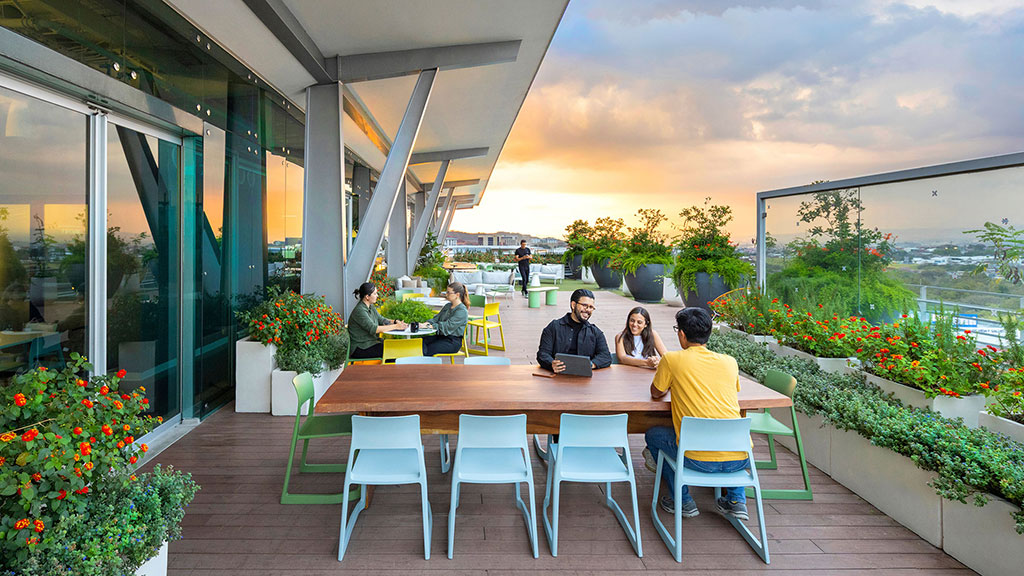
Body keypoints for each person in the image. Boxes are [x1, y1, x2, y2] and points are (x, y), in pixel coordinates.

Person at [643, 307, 750, 521]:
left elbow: (656, 392)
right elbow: (732, 389)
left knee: (653, 435)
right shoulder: (730, 362)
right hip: (740, 459)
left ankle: (682, 500)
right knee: (726, 432)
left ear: (682, 334)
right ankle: (736, 501)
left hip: (697, 459)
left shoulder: (672, 359)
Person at [536, 288, 612, 372]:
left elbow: (606, 356)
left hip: (585, 377)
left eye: (591, 307)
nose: (588, 310)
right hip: (557, 376)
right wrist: (551, 364)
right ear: (573, 305)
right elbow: (542, 354)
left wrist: (590, 365)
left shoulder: (596, 333)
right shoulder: (554, 327)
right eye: (585, 305)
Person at [348, 283, 407, 359]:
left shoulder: (370, 307)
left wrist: (395, 322)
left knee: (396, 347)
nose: (377, 295)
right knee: (392, 351)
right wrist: (396, 326)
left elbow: (382, 320)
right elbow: (374, 329)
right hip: (361, 348)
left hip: (372, 343)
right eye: (375, 293)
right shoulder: (360, 311)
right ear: (367, 297)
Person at [422, 282, 470, 356]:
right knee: (420, 342)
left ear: (457, 295)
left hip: (452, 341)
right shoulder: (448, 306)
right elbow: (436, 319)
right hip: (440, 337)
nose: (446, 295)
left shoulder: (462, 311)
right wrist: (425, 324)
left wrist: (430, 326)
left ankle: (423, 362)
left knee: (429, 349)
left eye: (448, 293)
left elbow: (447, 326)